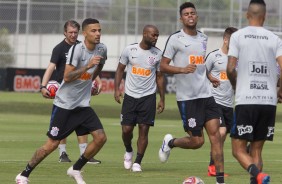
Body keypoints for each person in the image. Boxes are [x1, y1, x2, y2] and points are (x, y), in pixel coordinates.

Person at [15, 18, 107, 184]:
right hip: (64, 105)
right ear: (85, 33)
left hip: (83, 105)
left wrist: (93, 80)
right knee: (51, 145)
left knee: (100, 138)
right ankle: (24, 174)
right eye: (93, 31)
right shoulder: (76, 50)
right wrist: (87, 67)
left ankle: (75, 169)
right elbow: (67, 77)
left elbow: (100, 64)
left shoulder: (101, 48)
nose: (98, 33)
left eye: (99, 30)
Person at [158, 2, 225, 184]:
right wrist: (181, 70)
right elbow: (162, 65)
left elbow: (201, 66)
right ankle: (170, 143)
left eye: (193, 13)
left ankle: (220, 181)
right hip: (188, 99)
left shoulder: (203, 38)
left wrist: (209, 77)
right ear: (181, 18)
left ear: (197, 16)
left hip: (207, 95)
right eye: (186, 13)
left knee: (216, 138)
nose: (190, 16)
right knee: (197, 142)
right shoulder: (175, 39)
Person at [226, 0, 282, 184]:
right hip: (268, 101)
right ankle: (258, 180)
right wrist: (279, 89)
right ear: (264, 16)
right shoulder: (275, 39)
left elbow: (230, 68)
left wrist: (235, 85)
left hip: (246, 100)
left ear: (247, 15)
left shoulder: (238, 36)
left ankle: (258, 176)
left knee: (238, 150)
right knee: (256, 150)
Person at [40, 20, 101, 164]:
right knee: (62, 125)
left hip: (80, 91)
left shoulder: (83, 47)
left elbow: (90, 65)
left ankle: (85, 155)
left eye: (75, 32)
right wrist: (43, 86)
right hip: (65, 93)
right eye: (70, 32)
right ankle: (63, 154)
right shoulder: (59, 48)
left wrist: (99, 81)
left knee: (83, 125)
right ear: (64, 33)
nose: (73, 35)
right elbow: (51, 67)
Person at [114, 25, 165, 172]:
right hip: (130, 97)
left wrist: (162, 99)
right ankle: (128, 151)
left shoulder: (158, 54)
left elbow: (160, 77)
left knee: (144, 130)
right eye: (153, 35)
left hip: (148, 97)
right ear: (144, 34)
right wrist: (117, 89)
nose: (156, 38)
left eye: (157, 35)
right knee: (126, 130)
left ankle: (138, 162)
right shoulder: (130, 50)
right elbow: (119, 69)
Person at [205, 27, 238, 177]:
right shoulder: (214, 56)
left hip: (229, 104)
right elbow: (201, 71)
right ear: (225, 40)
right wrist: (210, 78)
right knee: (221, 132)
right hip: (214, 101)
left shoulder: (237, 59)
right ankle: (213, 167)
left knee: (233, 136)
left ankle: (215, 163)